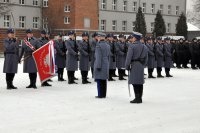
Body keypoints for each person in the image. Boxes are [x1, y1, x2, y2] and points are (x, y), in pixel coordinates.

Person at [125, 32, 148, 104]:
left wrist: (127, 66)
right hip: (141, 65)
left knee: (135, 82)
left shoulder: (132, 46)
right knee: (140, 82)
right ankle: (140, 97)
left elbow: (128, 58)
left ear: (135, 38)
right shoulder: (144, 46)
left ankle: (137, 98)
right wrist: (143, 64)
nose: (132, 38)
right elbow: (146, 58)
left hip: (134, 64)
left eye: (133, 37)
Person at [94, 32, 110, 98]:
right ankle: (104, 94)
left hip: (100, 63)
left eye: (98, 37)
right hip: (106, 63)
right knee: (104, 80)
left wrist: (98, 66)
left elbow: (98, 57)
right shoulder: (107, 45)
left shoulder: (98, 45)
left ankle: (100, 94)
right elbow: (108, 56)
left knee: (99, 80)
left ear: (100, 37)